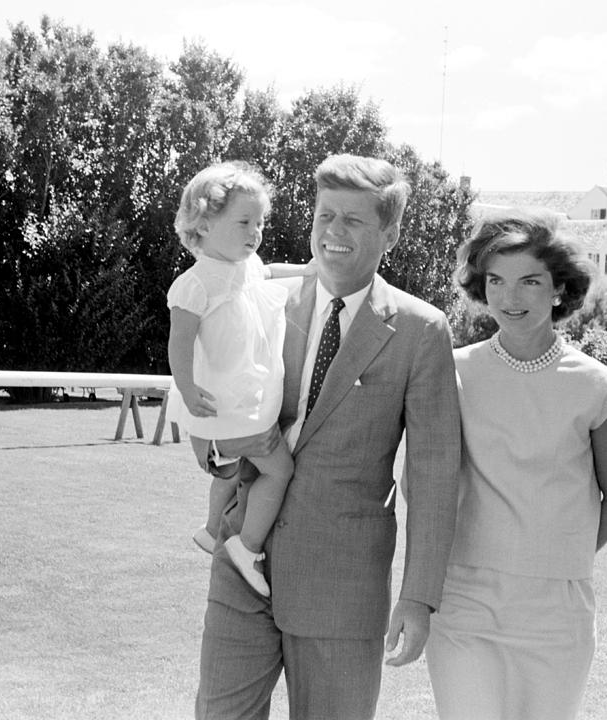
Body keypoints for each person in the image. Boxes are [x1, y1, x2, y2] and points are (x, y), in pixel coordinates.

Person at [195, 154, 461, 720]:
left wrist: (418, 598)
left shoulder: (421, 331)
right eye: (325, 215)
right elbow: (218, 408)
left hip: (343, 584)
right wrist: (218, 450)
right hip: (244, 561)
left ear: (388, 233)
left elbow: (436, 478)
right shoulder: (263, 298)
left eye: (354, 221)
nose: (333, 232)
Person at [425, 208, 607, 720]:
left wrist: (553, 556)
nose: (509, 297)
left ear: (559, 289)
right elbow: (424, 480)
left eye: (528, 281)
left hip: (556, 611)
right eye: (495, 280)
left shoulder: (598, 385)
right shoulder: (451, 371)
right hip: (464, 602)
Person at [167, 160, 309, 596]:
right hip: (224, 406)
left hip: (240, 402)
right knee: (279, 472)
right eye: (244, 221)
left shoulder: (247, 266)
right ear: (204, 223)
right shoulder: (195, 285)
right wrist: (188, 390)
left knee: (227, 474)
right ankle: (246, 545)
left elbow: (270, 273)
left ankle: (212, 529)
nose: (256, 232)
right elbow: (179, 344)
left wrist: (313, 271)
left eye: (260, 223)